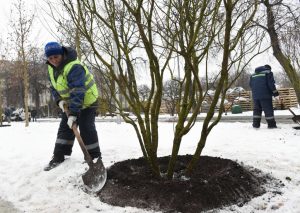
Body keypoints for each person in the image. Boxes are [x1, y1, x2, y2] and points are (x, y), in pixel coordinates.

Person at [43, 41, 101, 171]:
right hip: (70, 103)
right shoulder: (51, 68)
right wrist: (59, 101)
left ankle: (95, 158)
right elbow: (53, 86)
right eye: (50, 58)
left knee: (86, 128)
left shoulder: (74, 67)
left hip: (87, 102)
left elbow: (78, 90)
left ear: (62, 54)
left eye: (56, 57)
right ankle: (59, 156)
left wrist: (73, 114)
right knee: (65, 128)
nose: (53, 61)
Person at [249, 64, 279, 129]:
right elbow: (271, 84)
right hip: (265, 96)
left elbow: (251, 85)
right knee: (268, 110)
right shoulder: (268, 73)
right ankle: (272, 125)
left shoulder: (253, 75)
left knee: (257, 110)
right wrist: (276, 94)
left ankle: (255, 125)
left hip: (255, 96)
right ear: (268, 69)